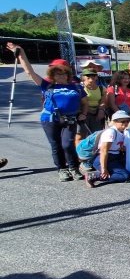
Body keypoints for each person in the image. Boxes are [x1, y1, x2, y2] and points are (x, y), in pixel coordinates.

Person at [7, 43, 90, 181]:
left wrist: (84, 114)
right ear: (53, 75)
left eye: (63, 73)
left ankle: (73, 167)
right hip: (50, 119)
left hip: (70, 119)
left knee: (68, 144)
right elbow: (29, 72)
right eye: (57, 73)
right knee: (56, 145)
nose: (61, 76)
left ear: (68, 74)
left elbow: (85, 102)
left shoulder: (76, 87)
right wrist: (21, 54)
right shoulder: (46, 85)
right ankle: (62, 169)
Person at [84, 110, 130, 187]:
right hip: (103, 159)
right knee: (125, 176)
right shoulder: (111, 132)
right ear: (115, 122)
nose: (126, 123)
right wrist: (104, 168)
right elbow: (103, 151)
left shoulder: (123, 132)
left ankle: (105, 172)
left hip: (115, 157)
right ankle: (94, 176)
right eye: (123, 121)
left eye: (127, 121)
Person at [81, 68, 106, 133]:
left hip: (97, 114)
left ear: (96, 77)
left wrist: (101, 110)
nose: (91, 78)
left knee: (96, 134)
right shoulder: (80, 88)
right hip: (84, 114)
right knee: (84, 134)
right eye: (88, 76)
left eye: (93, 75)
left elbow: (103, 101)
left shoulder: (101, 88)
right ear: (83, 77)